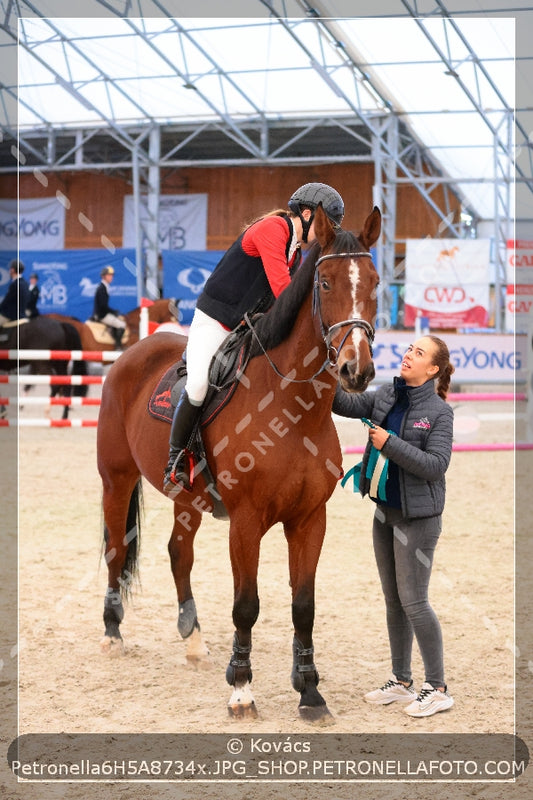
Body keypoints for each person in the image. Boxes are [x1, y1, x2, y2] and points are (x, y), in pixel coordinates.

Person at [163, 182, 345, 494]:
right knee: (197, 384)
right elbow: (282, 292)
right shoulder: (272, 229)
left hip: (247, 327)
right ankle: (176, 459)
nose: (327, 232)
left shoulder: (296, 253)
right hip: (215, 322)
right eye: (325, 223)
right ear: (305, 214)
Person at [333, 335, 455, 718]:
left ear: (432, 369)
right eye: (408, 349)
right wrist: (326, 370)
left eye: (418, 353)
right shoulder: (386, 395)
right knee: (393, 602)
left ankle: (436, 687)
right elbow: (345, 403)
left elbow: (436, 465)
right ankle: (402, 682)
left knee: (415, 602)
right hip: (384, 513)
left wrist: (389, 443)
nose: (408, 355)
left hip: (418, 519)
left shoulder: (439, 412)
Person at [92, 266, 126, 347]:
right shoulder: (102, 288)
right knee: (122, 325)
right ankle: (118, 345)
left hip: (102, 312)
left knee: (117, 321)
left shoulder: (104, 287)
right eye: (109, 275)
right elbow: (102, 306)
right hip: (102, 315)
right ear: (104, 276)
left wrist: (113, 312)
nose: (111, 277)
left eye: (112, 275)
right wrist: (113, 312)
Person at [0, 259, 30, 325]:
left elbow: (7, 301)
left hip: (12, 315)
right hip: (23, 314)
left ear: (13, 270)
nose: (9, 270)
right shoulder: (25, 283)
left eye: (10, 268)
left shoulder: (15, 284)